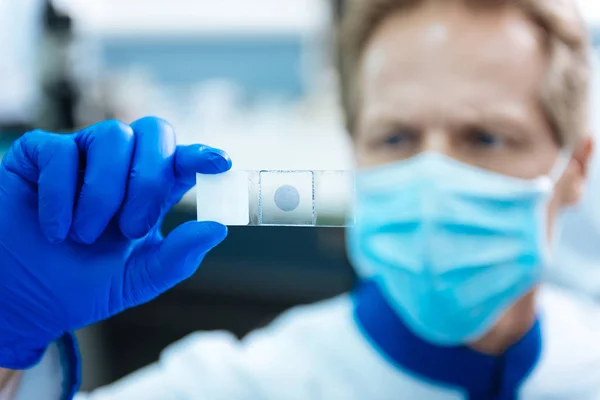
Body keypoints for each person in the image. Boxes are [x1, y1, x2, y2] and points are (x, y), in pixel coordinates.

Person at [1, 0, 600, 398]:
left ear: (574, 167)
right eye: (395, 137)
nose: (430, 178)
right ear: (354, 151)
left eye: (485, 137)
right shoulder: (237, 386)